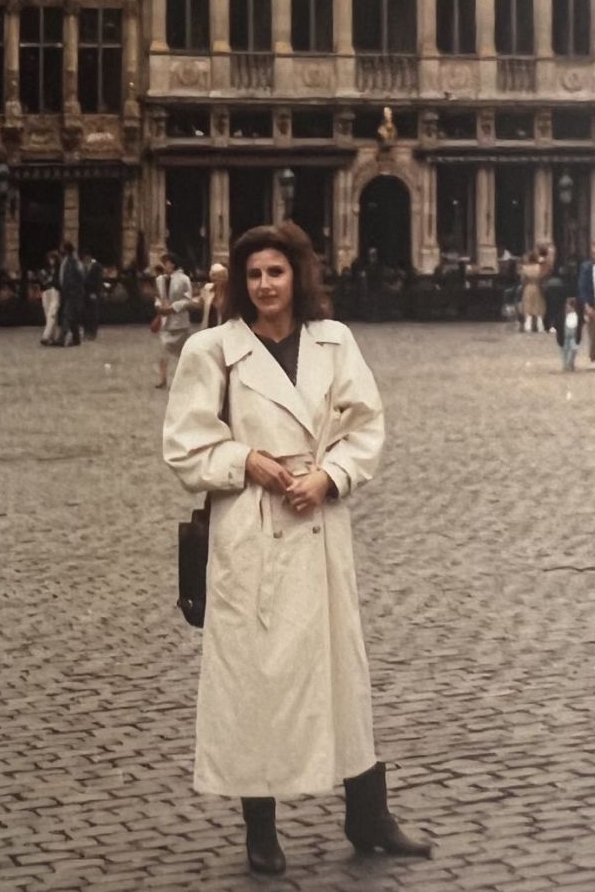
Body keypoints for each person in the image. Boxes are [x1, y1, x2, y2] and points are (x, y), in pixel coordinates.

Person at [162, 222, 430, 876]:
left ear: (297, 276)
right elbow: (184, 441)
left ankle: (368, 813)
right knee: (257, 676)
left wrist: (330, 475)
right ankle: (262, 826)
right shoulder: (213, 349)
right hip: (253, 528)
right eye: (253, 274)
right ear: (238, 283)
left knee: (343, 668)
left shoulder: (334, 342)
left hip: (318, 522)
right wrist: (244, 458)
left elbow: (365, 423)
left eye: (276, 272)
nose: (265, 285)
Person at [153, 251, 194, 389]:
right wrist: (159, 307)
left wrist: (173, 308)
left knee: (183, 353)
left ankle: (188, 377)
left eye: (167, 262)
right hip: (165, 322)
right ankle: (163, 379)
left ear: (173, 264)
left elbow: (188, 299)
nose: (164, 265)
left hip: (180, 322)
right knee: (162, 350)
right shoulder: (159, 280)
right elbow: (158, 297)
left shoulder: (184, 279)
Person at [54, 242, 86, 347]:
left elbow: (80, 276)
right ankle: (76, 339)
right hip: (69, 292)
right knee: (73, 317)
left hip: (73, 293)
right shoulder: (68, 260)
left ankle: (61, 339)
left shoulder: (74, 261)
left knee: (67, 315)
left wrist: (72, 287)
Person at [519, 251, 546, 333]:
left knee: (528, 307)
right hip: (537, 287)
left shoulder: (525, 268)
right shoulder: (539, 267)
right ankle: (540, 327)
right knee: (538, 307)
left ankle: (528, 327)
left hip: (528, 288)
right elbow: (542, 278)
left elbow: (523, 280)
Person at [39, 250, 61, 347]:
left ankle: (46, 336)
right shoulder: (45, 270)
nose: (51, 261)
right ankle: (52, 336)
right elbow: (43, 281)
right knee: (48, 315)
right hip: (46, 292)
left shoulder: (58, 270)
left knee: (51, 314)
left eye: (53, 258)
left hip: (55, 291)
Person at [198, 262, 228, 329]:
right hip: (208, 328)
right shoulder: (207, 288)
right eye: (213, 275)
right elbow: (200, 305)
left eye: (218, 275)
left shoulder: (231, 293)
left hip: (224, 329)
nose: (215, 278)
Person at [82, 251, 104, 340]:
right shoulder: (83, 267)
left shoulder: (97, 267)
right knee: (85, 314)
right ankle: (86, 332)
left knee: (93, 314)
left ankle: (92, 333)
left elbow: (99, 281)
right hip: (85, 293)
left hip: (93, 293)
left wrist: (95, 293)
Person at [559, 297, 583, 373]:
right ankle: (565, 365)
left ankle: (570, 363)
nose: (567, 307)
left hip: (573, 336)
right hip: (565, 336)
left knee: (573, 349)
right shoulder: (562, 315)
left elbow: (580, 325)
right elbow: (558, 324)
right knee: (565, 350)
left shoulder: (577, 316)